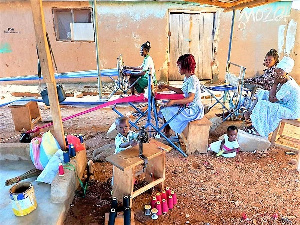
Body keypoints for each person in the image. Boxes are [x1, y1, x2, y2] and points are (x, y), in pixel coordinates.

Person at [246, 56, 300, 137]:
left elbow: (272, 99)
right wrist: (276, 83)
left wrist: (275, 83)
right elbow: (273, 94)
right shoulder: (284, 80)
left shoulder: (288, 85)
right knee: (262, 93)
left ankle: (259, 130)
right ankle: (251, 115)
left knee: (265, 104)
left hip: (291, 111)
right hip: (284, 104)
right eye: (277, 72)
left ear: (286, 73)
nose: (278, 75)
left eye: (280, 73)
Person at [158, 54, 204, 136]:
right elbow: (181, 91)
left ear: (185, 67)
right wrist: (167, 86)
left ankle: (168, 132)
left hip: (194, 110)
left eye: (179, 66)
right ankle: (167, 131)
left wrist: (174, 102)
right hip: (189, 106)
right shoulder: (187, 78)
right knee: (165, 107)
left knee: (166, 109)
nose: (178, 69)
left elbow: (190, 98)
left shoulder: (192, 80)